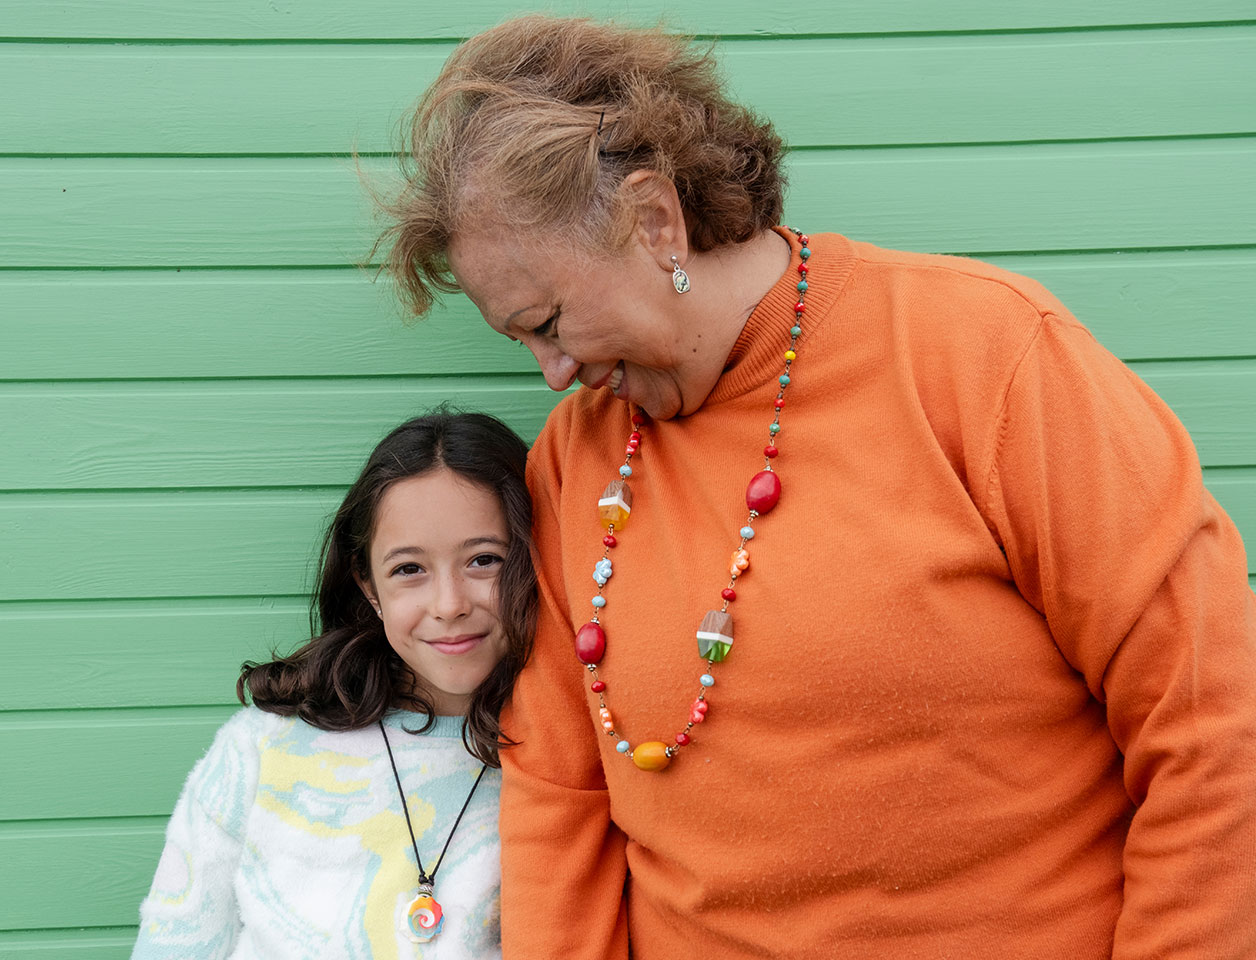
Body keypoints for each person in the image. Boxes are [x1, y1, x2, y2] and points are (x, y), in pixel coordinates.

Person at [373, 15, 1256, 960]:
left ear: (654, 218)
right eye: (521, 341)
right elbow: (561, 799)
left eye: (549, 320)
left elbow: (1213, 723)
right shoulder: (577, 459)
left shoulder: (984, 357)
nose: (550, 373)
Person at [130, 411, 535, 959]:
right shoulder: (262, 749)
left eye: (484, 560)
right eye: (409, 569)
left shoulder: (561, 761)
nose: (449, 605)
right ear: (368, 585)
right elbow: (174, 944)